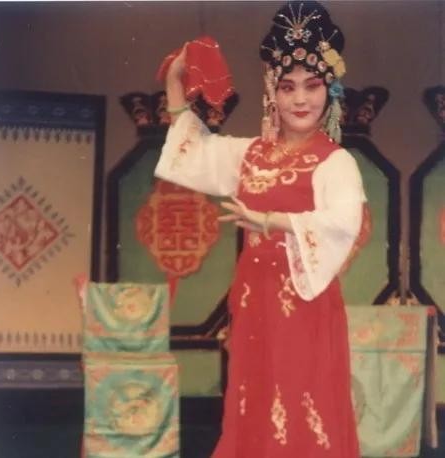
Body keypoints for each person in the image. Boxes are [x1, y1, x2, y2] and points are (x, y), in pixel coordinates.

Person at [155, 1, 364, 457]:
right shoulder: (251, 153)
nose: (300, 99)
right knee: (254, 403)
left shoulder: (336, 162)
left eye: (312, 86)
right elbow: (194, 155)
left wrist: (269, 221)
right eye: (288, 87)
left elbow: (341, 223)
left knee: (303, 402)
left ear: (330, 89)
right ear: (273, 92)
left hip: (305, 304)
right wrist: (174, 83)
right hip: (255, 302)